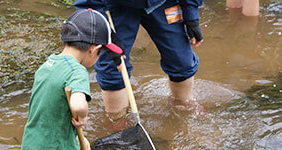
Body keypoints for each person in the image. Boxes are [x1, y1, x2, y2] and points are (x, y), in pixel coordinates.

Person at [20, 9, 122, 150]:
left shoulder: (48, 64)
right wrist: (82, 116)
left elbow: (50, 112)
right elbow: (77, 104)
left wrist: (79, 142)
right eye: (101, 53)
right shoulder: (77, 71)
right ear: (93, 49)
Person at [74, 0, 204, 116]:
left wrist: (191, 14)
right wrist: (104, 33)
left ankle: (183, 106)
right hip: (114, 5)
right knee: (114, 65)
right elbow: (87, 2)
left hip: (162, 3)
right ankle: (117, 121)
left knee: (181, 60)